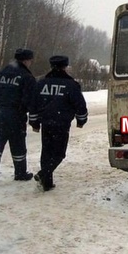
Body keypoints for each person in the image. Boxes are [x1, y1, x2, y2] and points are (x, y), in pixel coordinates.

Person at [29, 55, 88, 191]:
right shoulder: (71, 85)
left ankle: (47, 183)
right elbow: (80, 105)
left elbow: (33, 104)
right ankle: (43, 174)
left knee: (46, 152)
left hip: (46, 123)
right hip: (62, 123)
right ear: (65, 66)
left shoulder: (41, 83)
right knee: (59, 153)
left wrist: (34, 122)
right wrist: (81, 120)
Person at [0, 48, 36, 187]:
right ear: (26, 60)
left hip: (1, 114)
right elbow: (31, 99)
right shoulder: (26, 76)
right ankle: (20, 173)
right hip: (17, 116)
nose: (31, 63)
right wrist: (25, 110)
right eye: (30, 60)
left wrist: (1, 103)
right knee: (18, 144)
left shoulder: (3, 73)